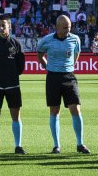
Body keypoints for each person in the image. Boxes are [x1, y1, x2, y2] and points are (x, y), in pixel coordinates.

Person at [37, 15, 89, 154]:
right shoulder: (47, 40)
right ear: (57, 27)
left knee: (76, 109)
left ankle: (80, 143)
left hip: (69, 77)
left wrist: (71, 66)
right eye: (65, 27)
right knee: (54, 111)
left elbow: (76, 54)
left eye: (70, 27)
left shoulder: (75, 39)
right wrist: (46, 66)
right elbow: (39, 53)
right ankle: (56, 145)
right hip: (53, 77)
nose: (68, 30)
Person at [0, 16, 25, 155]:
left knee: (16, 115)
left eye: (4, 25)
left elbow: (21, 66)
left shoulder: (16, 44)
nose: (1, 28)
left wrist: (12, 75)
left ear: (10, 27)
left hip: (12, 84)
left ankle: (18, 146)